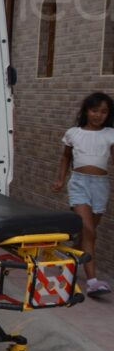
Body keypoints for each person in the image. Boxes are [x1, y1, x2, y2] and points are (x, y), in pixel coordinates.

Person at [52, 91, 114, 296]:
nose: (98, 115)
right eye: (94, 110)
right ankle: (93, 281)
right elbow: (65, 158)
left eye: (103, 112)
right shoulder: (73, 133)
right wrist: (61, 179)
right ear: (86, 111)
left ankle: (67, 256)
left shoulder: (110, 134)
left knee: (87, 233)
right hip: (78, 183)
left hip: (101, 185)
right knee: (89, 231)